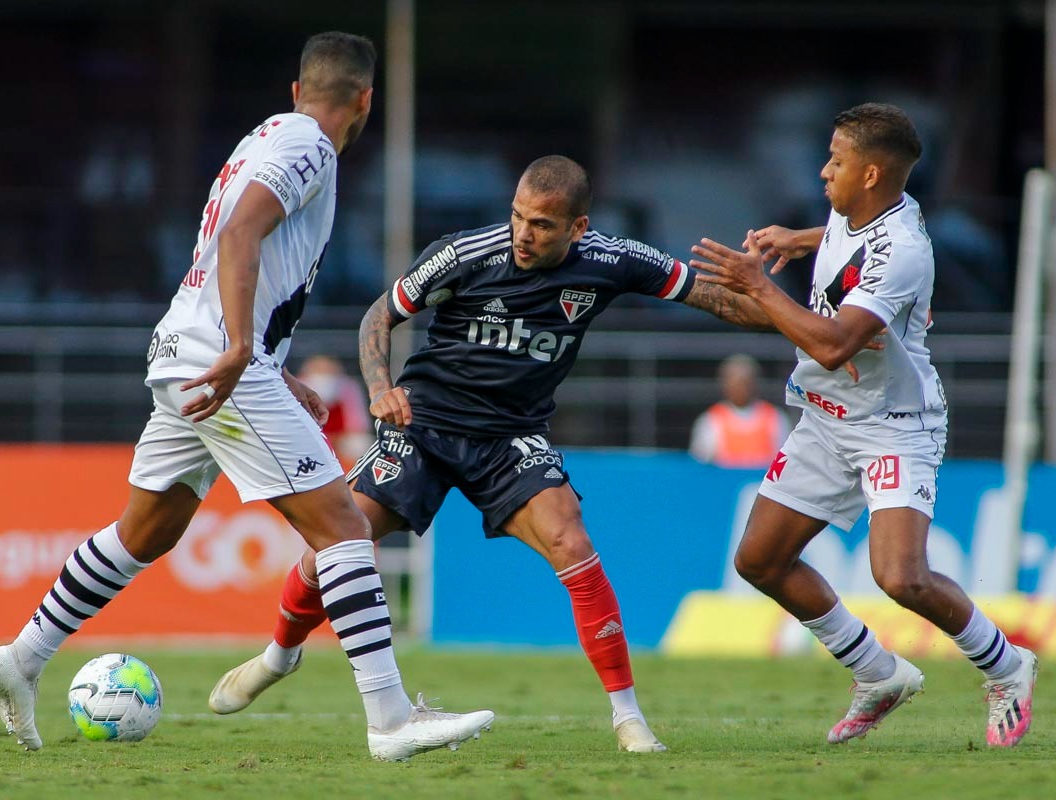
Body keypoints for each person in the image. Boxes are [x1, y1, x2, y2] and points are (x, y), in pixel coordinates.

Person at [0, 32, 493, 762]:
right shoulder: (310, 143)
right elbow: (244, 232)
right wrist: (246, 350)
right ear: (366, 101)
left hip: (185, 352)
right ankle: (391, 719)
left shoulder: (266, 135)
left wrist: (273, 368)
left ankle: (21, 658)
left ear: (295, 88)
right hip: (221, 360)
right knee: (343, 526)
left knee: (146, 531)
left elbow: (232, 245)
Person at [207, 154, 772, 753]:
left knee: (572, 541)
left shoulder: (614, 260)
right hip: (424, 424)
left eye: (542, 225)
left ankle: (627, 717)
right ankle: (279, 656)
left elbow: (715, 298)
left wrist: (797, 317)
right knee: (339, 544)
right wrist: (379, 388)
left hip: (511, 436)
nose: (524, 234)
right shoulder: (468, 252)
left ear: (578, 228)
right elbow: (381, 313)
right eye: (518, 217)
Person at [688, 103, 1037, 747]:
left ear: (872, 174)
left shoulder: (904, 250)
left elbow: (834, 345)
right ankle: (877, 673)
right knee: (760, 560)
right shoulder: (857, 214)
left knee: (900, 576)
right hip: (825, 419)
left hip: (894, 424)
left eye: (836, 161)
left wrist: (760, 288)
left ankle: (1009, 667)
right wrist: (798, 239)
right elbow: (845, 245)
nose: (823, 172)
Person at [689, 354, 791, 468]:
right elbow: (700, 465)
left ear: (754, 383)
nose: (740, 388)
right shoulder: (710, 420)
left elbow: (785, 462)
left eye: (744, 382)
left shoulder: (775, 418)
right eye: (734, 382)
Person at [295, 354, 372, 469]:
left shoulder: (348, 388)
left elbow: (358, 427)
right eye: (319, 371)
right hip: (307, 439)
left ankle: (353, 478)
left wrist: (333, 440)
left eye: (328, 371)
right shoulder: (296, 388)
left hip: (341, 439)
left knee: (359, 444)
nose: (323, 376)